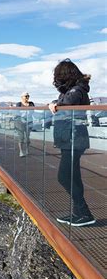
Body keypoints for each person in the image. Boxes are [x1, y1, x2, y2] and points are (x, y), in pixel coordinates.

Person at [49, 59, 95, 227]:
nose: (56, 79)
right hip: (70, 139)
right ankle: (79, 213)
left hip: (74, 139)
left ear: (65, 76)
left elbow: (66, 104)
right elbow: (63, 101)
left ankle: (84, 213)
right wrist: (55, 103)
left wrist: (55, 104)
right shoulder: (74, 89)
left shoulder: (76, 90)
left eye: (58, 76)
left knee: (64, 176)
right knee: (73, 176)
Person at [15, 92, 34, 157]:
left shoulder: (31, 104)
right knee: (21, 137)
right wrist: (22, 118)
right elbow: (17, 113)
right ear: (22, 97)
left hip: (29, 122)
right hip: (20, 122)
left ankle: (27, 150)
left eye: (28, 96)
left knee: (27, 137)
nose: (27, 97)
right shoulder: (19, 104)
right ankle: (21, 151)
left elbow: (32, 111)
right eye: (26, 96)